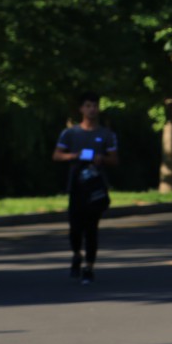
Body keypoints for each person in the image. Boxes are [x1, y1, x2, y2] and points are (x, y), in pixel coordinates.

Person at [52, 92, 118, 285]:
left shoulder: (106, 134)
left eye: (95, 106)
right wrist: (74, 155)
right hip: (76, 187)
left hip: (96, 188)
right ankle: (76, 254)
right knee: (75, 228)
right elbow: (57, 155)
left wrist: (101, 159)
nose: (92, 109)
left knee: (91, 229)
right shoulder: (70, 133)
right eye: (88, 106)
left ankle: (89, 267)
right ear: (81, 109)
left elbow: (115, 159)